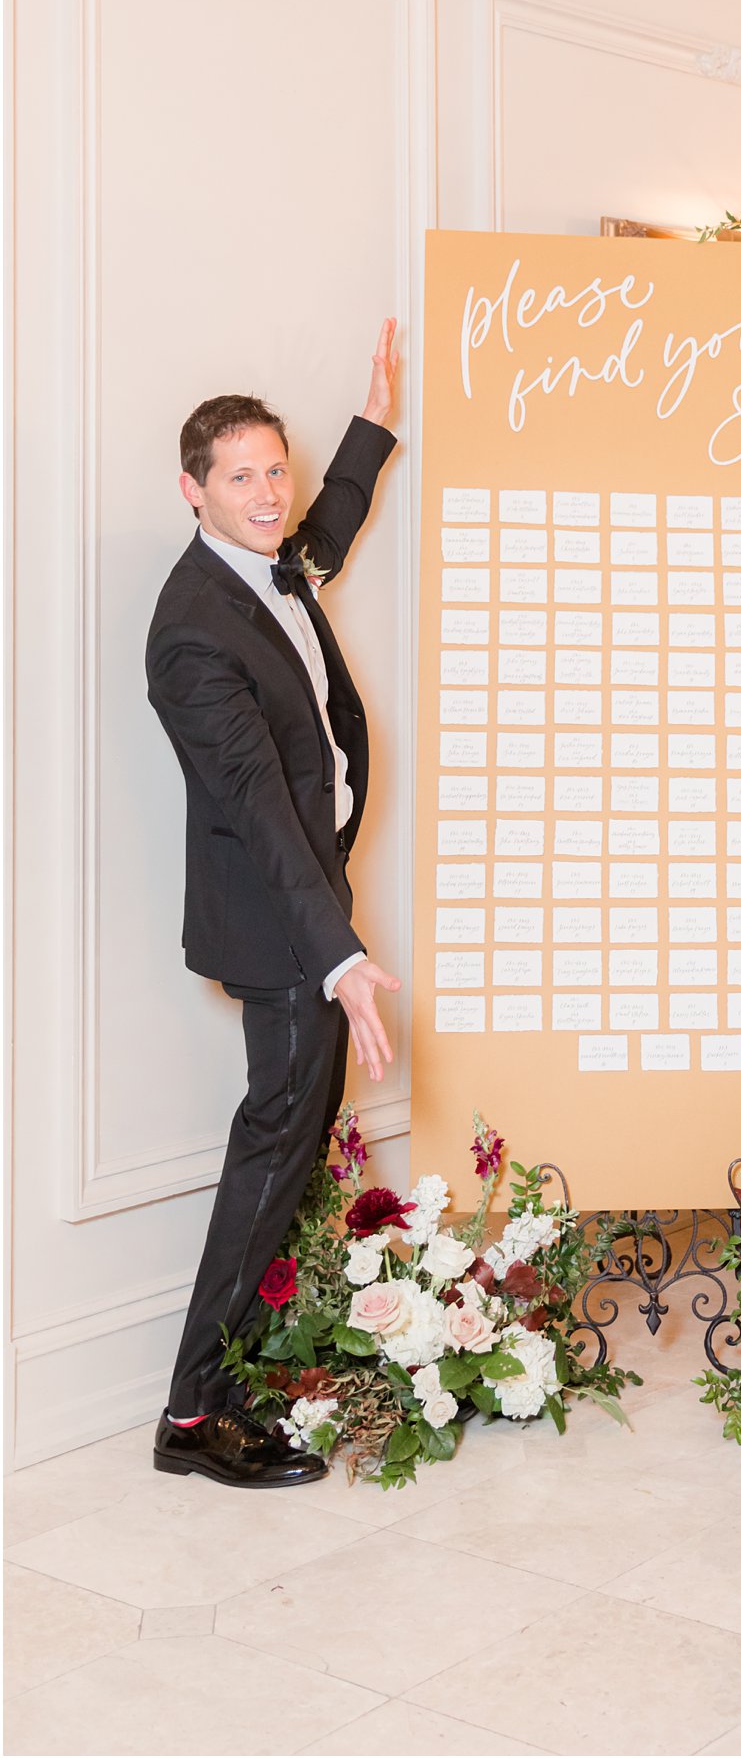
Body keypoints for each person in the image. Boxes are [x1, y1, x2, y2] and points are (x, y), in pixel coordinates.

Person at [145, 324, 402, 1487]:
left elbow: (323, 538)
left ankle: (236, 1374)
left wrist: (375, 424)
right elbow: (255, 803)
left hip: (312, 905)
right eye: (239, 475)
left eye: (275, 469)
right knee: (272, 1154)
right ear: (191, 489)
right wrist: (340, 959)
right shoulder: (192, 631)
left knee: (287, 1150)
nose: (266, 492)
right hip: (282, 923)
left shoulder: (269, 566)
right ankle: (194, 1417)